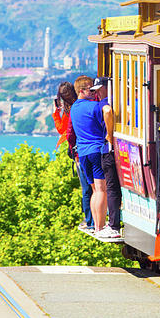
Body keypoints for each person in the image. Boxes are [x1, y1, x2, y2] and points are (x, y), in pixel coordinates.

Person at [69, 75, 118, 239]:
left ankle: (95, 225)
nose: (93, 92)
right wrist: (109, 134)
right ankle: (101, 226)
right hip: (97, 150)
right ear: (82, 91)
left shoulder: (74, 108)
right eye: (90, 89)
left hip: (82, 153)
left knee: (94, 190)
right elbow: (107, 110)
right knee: (102, 190)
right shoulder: (94, 106)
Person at [53, 82, 92, 232]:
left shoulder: (70, 111)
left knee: (86, 188)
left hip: (79, 153)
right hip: (93, 148)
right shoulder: (85, 104)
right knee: (97, 186)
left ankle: (90, 219)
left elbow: (63, 130)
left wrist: (56, 113)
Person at [90, 76, 122, 238]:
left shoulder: (105, 102)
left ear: (106, 88)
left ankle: (113, 225)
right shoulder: (120, 99)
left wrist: (110, 135)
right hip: (117, 148)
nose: (98, 94)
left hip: (107, 149)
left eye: (99, 90)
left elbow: (108, 111)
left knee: (111, 188)